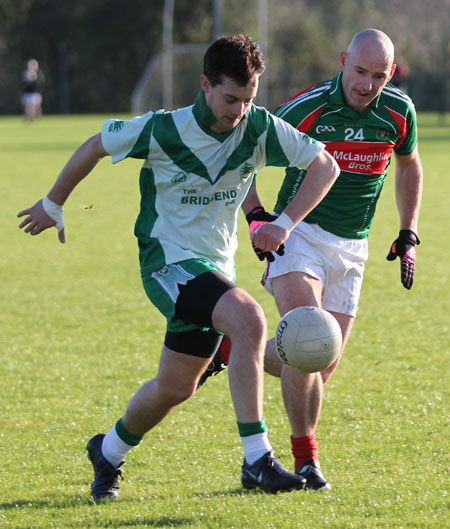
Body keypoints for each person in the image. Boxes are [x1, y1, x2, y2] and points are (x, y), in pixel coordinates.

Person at [17, 35, 340, 500]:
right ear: (206, 85)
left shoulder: (258, 128)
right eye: (230, 99)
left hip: (214, 269)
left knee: (176, 387)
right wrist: (53, 203)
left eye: (248, 100)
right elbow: (94, 146)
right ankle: (257, 460)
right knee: (249, 320)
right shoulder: (163, 129)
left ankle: (106, 452)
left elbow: (324, 166)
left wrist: (284, 223)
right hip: (166, 262)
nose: (238, 111)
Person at [202, 29, 423, 491]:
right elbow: (242, 150)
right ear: (343, 61)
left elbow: (409, 165)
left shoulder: (399, 111)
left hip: (353, 246)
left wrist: (408, 232)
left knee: (320, 363)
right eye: (359, 71)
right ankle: (305, 461)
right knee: (307, 335)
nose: (366, 84)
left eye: (378, 76)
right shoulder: (307, 109)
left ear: (391, 74)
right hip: (298, 235)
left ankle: (230, 349)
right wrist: (259, 217)